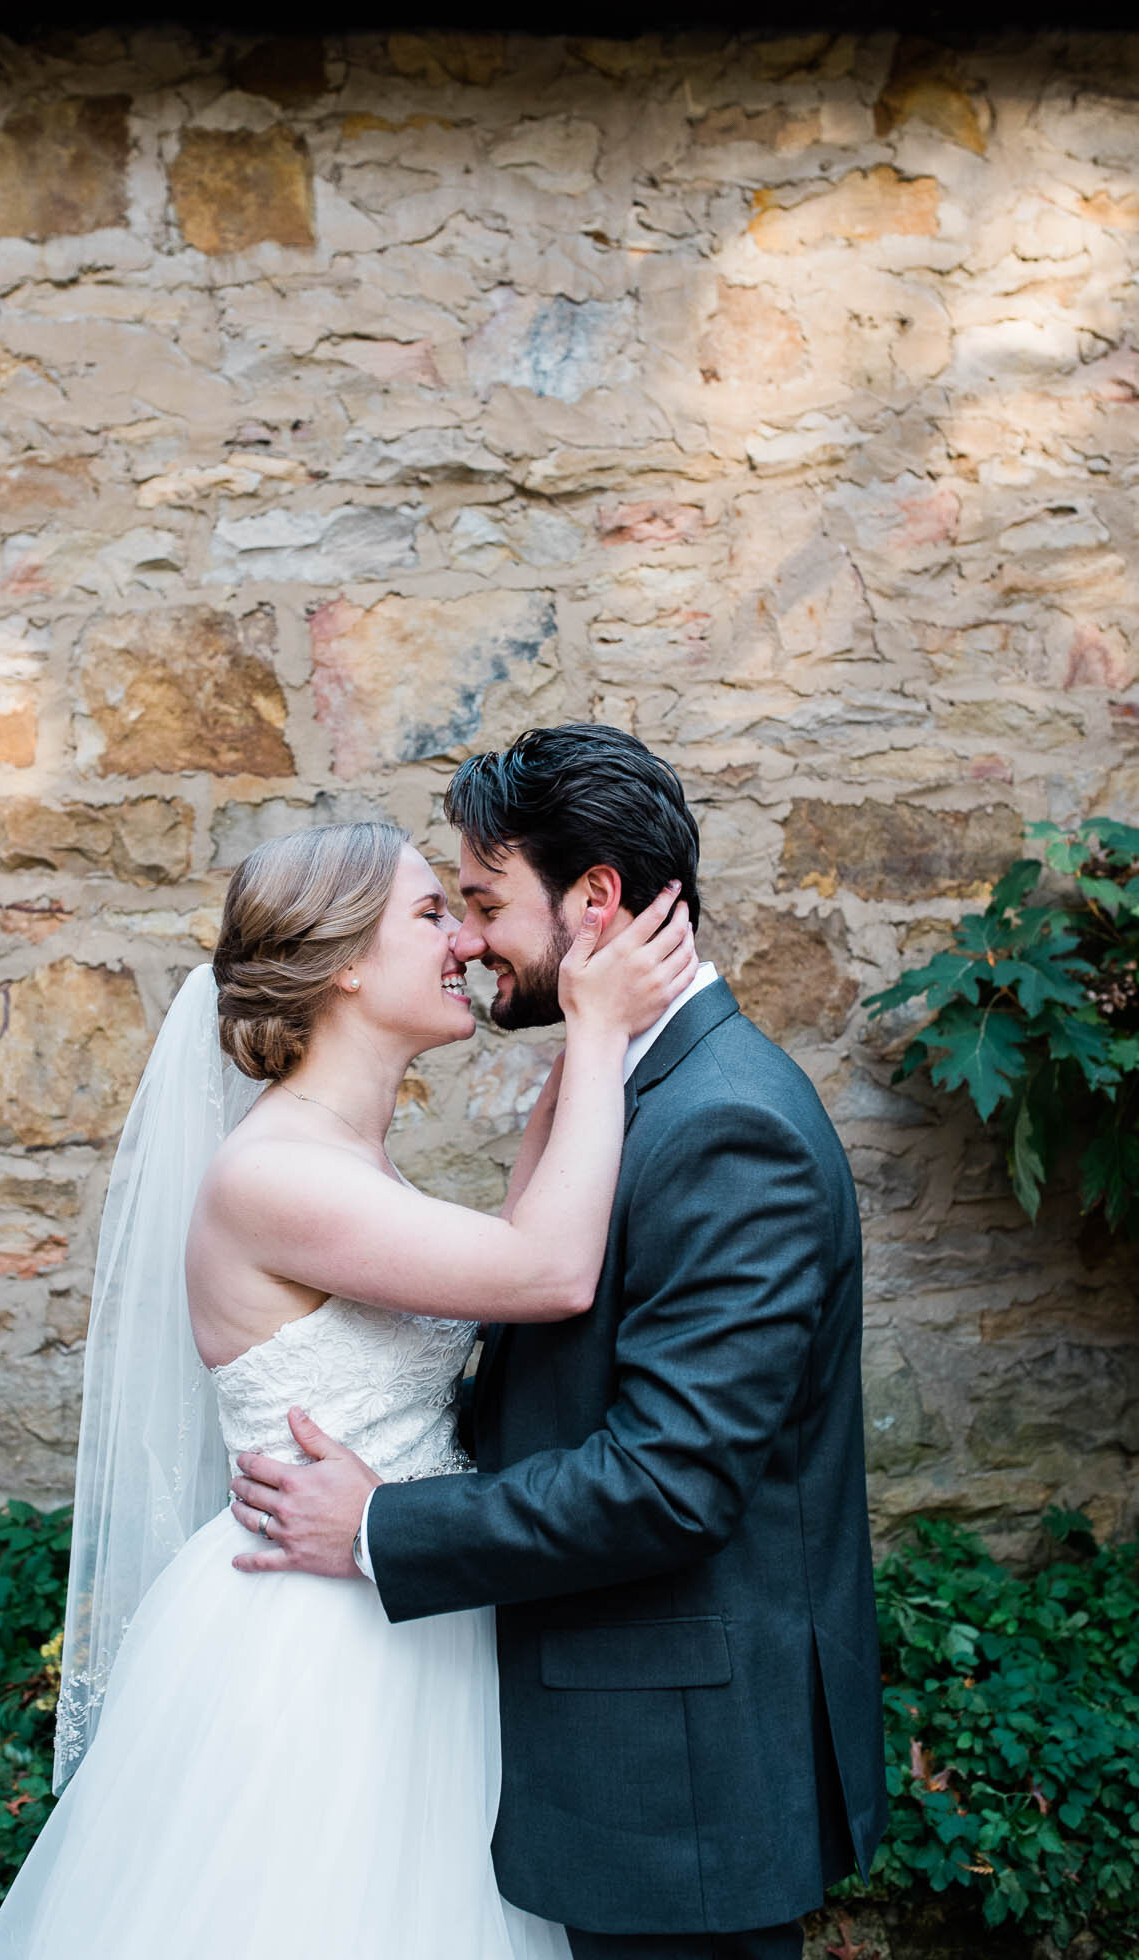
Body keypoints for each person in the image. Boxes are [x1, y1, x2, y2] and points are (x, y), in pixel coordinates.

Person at [0, 816, 695, 1960]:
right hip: (317, 1645)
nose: (463, 939)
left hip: (409, 1598)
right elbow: (551, 1270)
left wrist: (582, 1042)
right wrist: (600, 1035)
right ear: (348, 961)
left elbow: (518, 1237)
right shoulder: (275, 1176)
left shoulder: (349, 1159)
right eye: (430, 913)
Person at [229, 724, 890, 1960]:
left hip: (677, 1783)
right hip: (586, 1749)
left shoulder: (726, 1127)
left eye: (481, 901)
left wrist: (379, 1526)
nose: (469, 940)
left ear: (594, 901)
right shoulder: (627, 1092)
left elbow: (669, 1482)